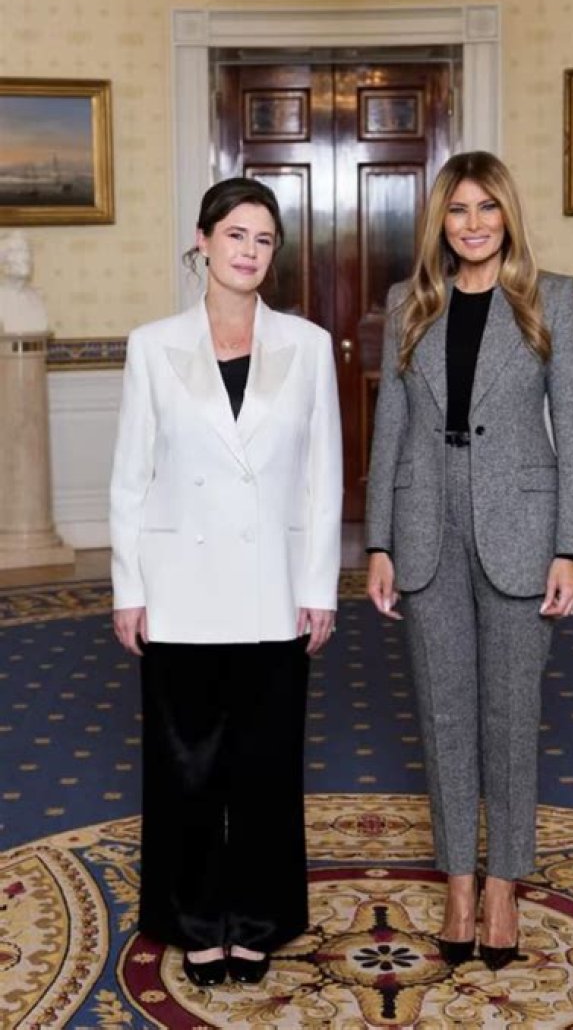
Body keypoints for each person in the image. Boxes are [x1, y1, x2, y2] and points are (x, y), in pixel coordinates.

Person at [110, 177, 342, 988]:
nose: (249, 251)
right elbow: (130, 477)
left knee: (266, 768)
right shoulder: (152, 345)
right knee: (186, 768)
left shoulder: (308, 345)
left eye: (264, 239)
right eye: (236, 234)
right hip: (179, 586)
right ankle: (195, 920)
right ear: (203, 240)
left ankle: (258, 921)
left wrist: (320, 586)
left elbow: (322, 478)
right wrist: (128, 588)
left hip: (274, 587)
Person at [366, 151, 573, 971]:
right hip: (425, 525)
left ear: (507, 216)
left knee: (510, 716)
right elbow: (390, 427)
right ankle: (459, 882)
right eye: (459, 210)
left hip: (522, 528)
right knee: (443, 715)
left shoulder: (551, 297)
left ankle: (504, 887)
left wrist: (571, 548)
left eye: (487, 208)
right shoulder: (409, 302)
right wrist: (379, 541)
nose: (473, 224)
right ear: (442, 220)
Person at [0, 230, 48, 335]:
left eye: (27, 251)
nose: (26, 257)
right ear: (2, 260)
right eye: (17, 251)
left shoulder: (37, 296)